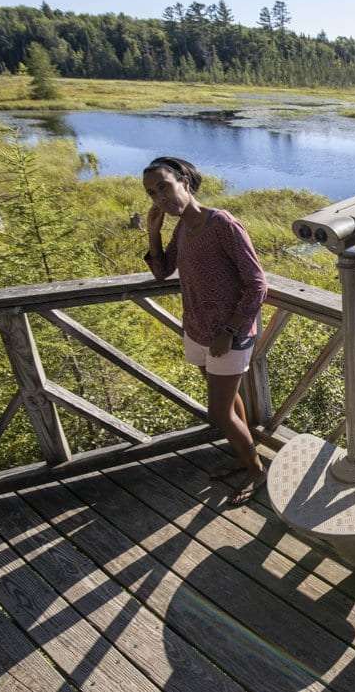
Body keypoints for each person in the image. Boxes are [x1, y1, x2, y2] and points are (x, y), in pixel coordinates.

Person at [143, 156, 268, 506]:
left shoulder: (222, 223)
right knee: (228, 403)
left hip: (229, 334)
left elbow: (257, 284)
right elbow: (161, 271)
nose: (159, 198)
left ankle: (258, 472)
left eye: (164, 187)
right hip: (197, 329)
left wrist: (228, 330)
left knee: (218, 411)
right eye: (152, 193)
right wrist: (153, 232)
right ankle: (246, 457)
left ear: (184, 180)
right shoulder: (182, 227)